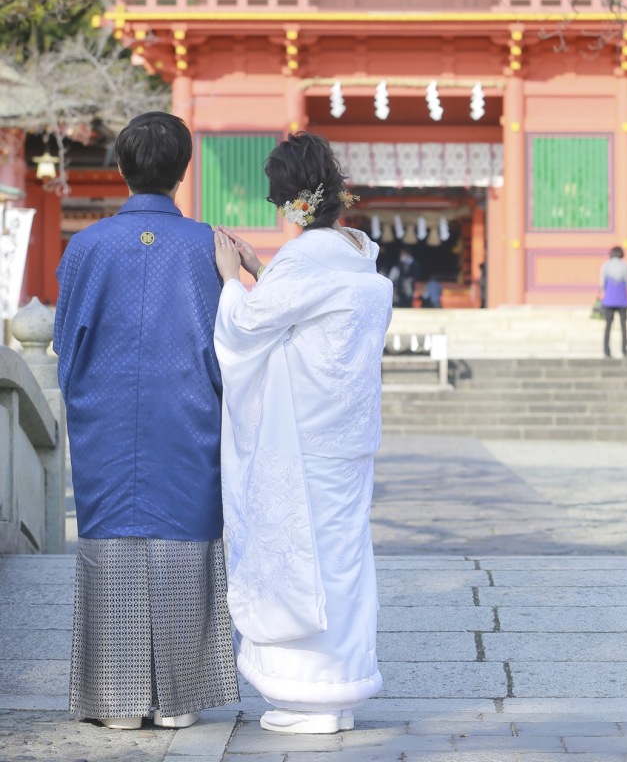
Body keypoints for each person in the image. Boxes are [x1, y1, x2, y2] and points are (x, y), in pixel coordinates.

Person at [54, 112, 239, 731]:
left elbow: (67, 345)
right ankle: (179, 699)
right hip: (189, 414)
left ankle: (116, 701)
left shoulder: (87, 246)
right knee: (184, 545)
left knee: (111, 547)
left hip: (106, 417)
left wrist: (88, 397)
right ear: (184, 171)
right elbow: (236, 337)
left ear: (121, 169)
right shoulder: (210, 246)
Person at [213, 132, 393, 736]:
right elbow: (315, 312)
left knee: (300, 559)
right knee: (343, 561)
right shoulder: (358, 252)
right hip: (350, 438)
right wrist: (264, 270)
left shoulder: (302, 259)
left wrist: (232, 280)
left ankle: (307, 697)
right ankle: (339, 693)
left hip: (305, 442)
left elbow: (246, 327)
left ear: (292, 200)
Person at [599, 245, 627, 358]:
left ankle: (606, 351)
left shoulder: (606, 265)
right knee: (623, 326)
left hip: (609, 299)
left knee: (608, 326)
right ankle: (624, 351)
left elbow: (602, 284)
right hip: (622, 299)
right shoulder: (625, 266)